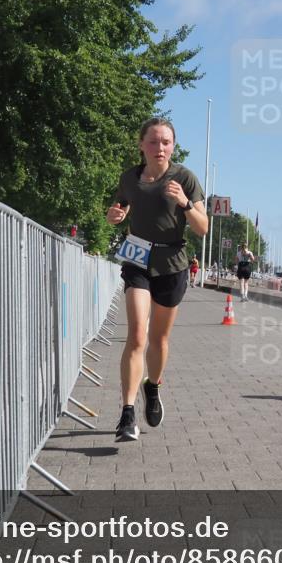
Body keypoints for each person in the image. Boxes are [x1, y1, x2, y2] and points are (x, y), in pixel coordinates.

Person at [106, 117, 207, 442]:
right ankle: (127, 413)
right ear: (141, 145)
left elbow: (202, 227)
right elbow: (118, 209)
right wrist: (113, 216)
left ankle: (153, 386)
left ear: (172, 146)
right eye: (153, 141)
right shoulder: (131, 178)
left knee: (159, 341)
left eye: (165, 142)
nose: (159, 147)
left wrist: (185, 204)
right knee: (137, 335)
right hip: (137, 260)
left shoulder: (185, 178)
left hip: (172, 262)